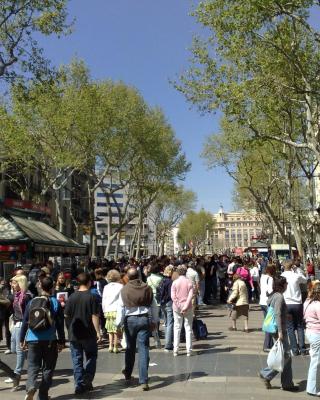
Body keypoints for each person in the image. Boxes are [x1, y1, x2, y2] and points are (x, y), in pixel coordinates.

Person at [20, 276, 65, 400]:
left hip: (32, 339)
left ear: (40, 286)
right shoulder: (55, 302)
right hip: (50, 340)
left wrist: (21, 339)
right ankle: (43, 395)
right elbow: (60, 324)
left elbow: (25, 322)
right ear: (52, 288)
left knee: (33, 366)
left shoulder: (32, 302)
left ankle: (30, 387)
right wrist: (61, 341)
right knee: (48, 368)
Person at [116, 267, 158, 391]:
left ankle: (128, 373)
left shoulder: (124, 290)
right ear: (139, 275)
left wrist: (118, 325)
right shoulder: (147, 288)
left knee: (130, 348)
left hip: (130, 321)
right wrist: (155, 321)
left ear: (128, 277)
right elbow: (153, 305)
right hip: (144, 320)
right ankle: (143, 380)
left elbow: (121, 308)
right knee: (144, 349)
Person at [64, 272, 101, 396]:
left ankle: (79, 384)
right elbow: (94, 316)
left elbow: (66, 315)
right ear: (89, 282)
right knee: (91, 356)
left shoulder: (71, 297)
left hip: (74, 334)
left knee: (77, 359)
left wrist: (69, 328)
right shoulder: (92, 297)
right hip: (89, 333)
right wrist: (98, 332)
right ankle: (88, 377)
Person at [259, 277, 298, 392]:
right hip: (278, 330)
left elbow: (278, 312)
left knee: (285, 357)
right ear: (283, 285)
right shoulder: (279, 297)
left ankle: (286, 383)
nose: (287, 285)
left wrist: (286, 315)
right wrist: (280, 331)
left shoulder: (274, 295)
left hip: (276, 329)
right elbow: (277, 313)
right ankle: (266, 374)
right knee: (285, 357)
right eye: (286, 283)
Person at [6, 275, 32, 390]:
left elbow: (28, 315)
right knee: (14, 349)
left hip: (21, 325)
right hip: (15, 324)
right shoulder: (15, 296)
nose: (12, 284)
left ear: (21, 283)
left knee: (19, 350)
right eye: (12, 282)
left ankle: (16, 375)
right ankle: (33, 366)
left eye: (14, 282)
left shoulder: (26, 297)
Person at [281, 260, 308, 355]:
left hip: (286, 304)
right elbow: (305, 280)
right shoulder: (296, 275)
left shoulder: (281, 276)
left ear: (283, 266)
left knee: (290, 327)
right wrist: (297, 270)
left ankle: (294, 349)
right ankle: (302, 348)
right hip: (297, 303)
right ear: (292, 266)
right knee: (300, 326)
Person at [171, 265, 194, 357]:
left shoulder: (175, 282)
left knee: (177, 327)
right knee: (188, 328)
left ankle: (175, 350)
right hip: (188, 307)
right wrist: (185, 306)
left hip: (177, 308)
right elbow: (190, 295)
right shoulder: (189, 282)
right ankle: (189, 350)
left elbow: (173, 296)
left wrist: (179, 306)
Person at [304, 281, 320, 396]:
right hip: (316, 334)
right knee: (315, 361)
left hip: (309, 332)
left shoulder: (307, 302)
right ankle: (312, 388)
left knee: (315, 359)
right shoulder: (318, 305)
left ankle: (312, 387)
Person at [102, 269, 123, 353]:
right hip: (116, 309)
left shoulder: (106, 287)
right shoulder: (120, 286)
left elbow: (104, 299)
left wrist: (104, 310)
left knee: (110, 330)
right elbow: (121, 300)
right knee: (116, 330)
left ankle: (110, 346)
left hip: (108, 310)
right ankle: (115, 346)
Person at [259, 264, 276, 351]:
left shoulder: (262, 277)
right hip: (268, 302)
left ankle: (270, 344)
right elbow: (270, 290)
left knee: (267, 322)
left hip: (262, 302)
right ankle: (267, 345)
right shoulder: (271, 278)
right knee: (270, 323)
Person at [158, 265, 174, 352]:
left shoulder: (162, 280)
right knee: (170, 323)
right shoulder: (170, 282)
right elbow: (170, 294)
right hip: (169, 303)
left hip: (162, 303)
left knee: (166, 322)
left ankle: (167, 343)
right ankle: (168, 344)